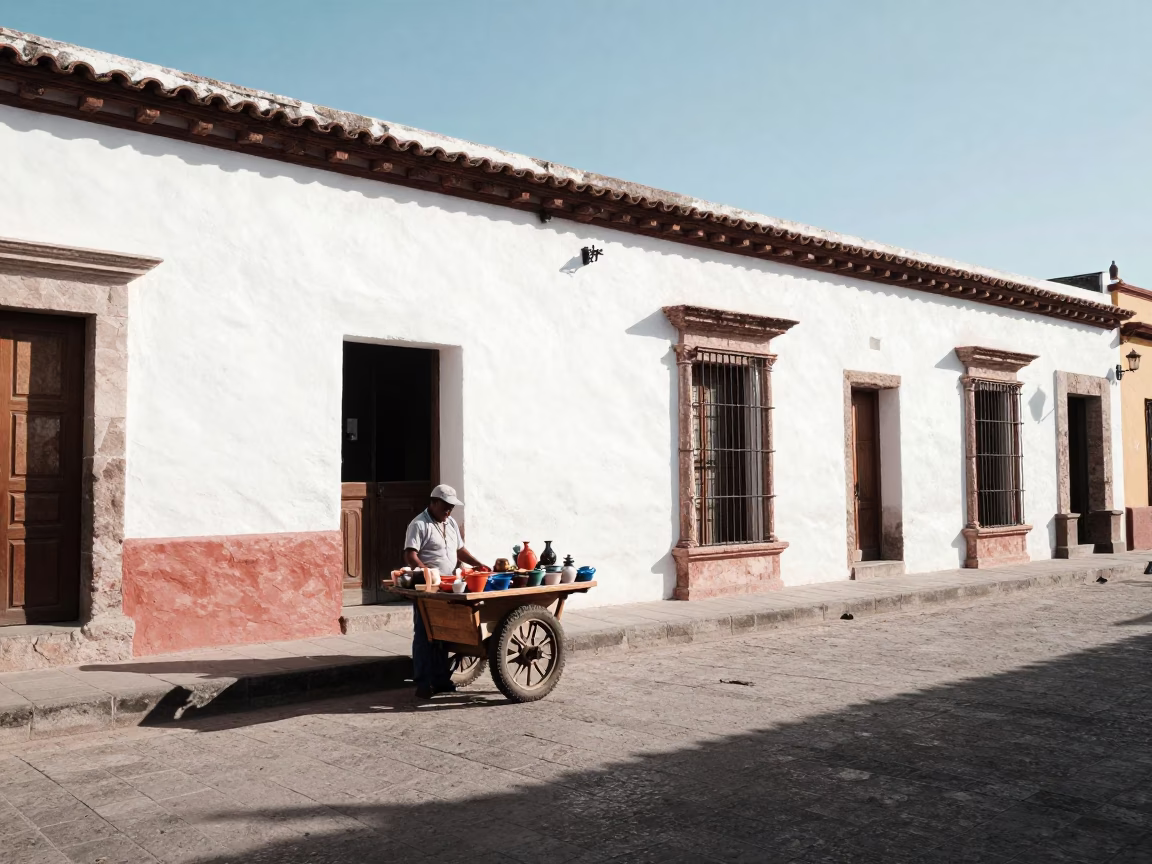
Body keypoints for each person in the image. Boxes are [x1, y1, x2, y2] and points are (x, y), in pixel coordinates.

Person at [403, 484, 487, 699]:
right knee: (424, 635)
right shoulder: (419, 524)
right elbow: (410, 554)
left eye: (451, 507)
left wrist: (478, 564)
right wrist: (426, 573)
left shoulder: (449, 523)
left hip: (449, 586)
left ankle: (441, 680)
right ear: (433, 503)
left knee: (443, 634)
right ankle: (422, 682)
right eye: (445, 506)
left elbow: (460, 549)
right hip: (429, 588)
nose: (448, 511)